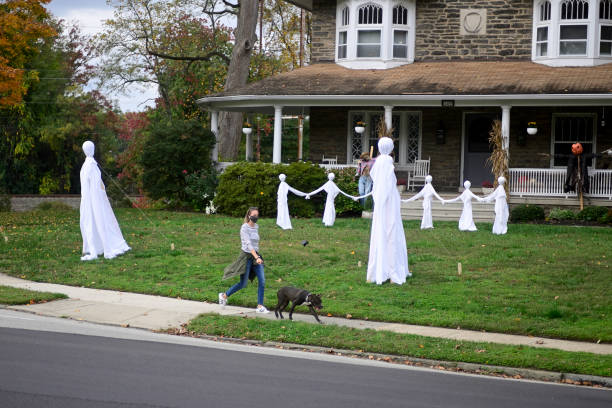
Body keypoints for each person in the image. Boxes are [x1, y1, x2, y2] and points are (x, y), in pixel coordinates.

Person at [366, 137, 411, 284]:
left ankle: (377, 271)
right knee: (391, 233)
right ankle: (393, 271)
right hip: (388, 204)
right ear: (391, 148)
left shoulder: (378, 162)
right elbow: (388, 185)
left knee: (381, 232)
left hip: (380, 203)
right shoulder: (387, 163)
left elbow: (377, 183)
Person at [79, 141, 130, 260]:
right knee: (100, 219)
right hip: (95, 199)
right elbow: (96, 185)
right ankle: (103, 246)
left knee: (91, 221)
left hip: (89, 200)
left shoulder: (86, 166)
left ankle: (96, 247)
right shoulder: (91, 165)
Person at [219, 207, 269, 313]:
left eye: (257, 215)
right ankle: (224, 296)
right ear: (249, 215)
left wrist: (257, 256)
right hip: (246, 257)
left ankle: (260, 306)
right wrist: (256, 257)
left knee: (262, 281)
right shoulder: (244, 228)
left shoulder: (256, 227)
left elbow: (255, 244)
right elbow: (248, 244)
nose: (256, 217)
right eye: (254, 215)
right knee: (243, 284)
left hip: (256, 256)